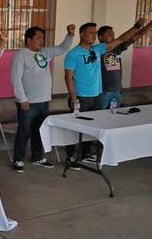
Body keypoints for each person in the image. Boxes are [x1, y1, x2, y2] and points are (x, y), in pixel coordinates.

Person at [64, 18, 146, 168]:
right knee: (77, 128)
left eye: (95, 33)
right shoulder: (73, 54)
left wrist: (136, 26)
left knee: (92, 127)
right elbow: (68, 77)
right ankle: (71, 156)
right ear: (82, 35)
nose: (94, 36)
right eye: (91, 33)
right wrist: (74, 97)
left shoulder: (98, 49)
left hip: (96, 95)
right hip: (81, 97)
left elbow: (121, 39)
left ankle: (87, 154)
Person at [10, 25, 75, 173]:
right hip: (28, 102)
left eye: (42, 38)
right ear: (29, 40)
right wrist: (22, 99)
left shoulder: (45, 52)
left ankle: (38, 157)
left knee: (40, 130)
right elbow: (16, 79)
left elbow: (61, 49)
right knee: (24, 131)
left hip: (44, 100)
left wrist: (69, 35)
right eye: (38, 38)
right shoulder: (21, 55)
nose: (41, 41)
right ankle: (18, 159)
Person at [98, 21, 152, 109]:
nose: (113, 36)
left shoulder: (117, 48)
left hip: (118, 91)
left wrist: (150, 25)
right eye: (109, 34)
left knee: (119, 117)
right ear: (100, 37)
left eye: (113, 34)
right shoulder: (97, 50)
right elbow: (121, 39)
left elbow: (137, 35)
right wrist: (136, 26)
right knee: (102, 117)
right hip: (104, 92)